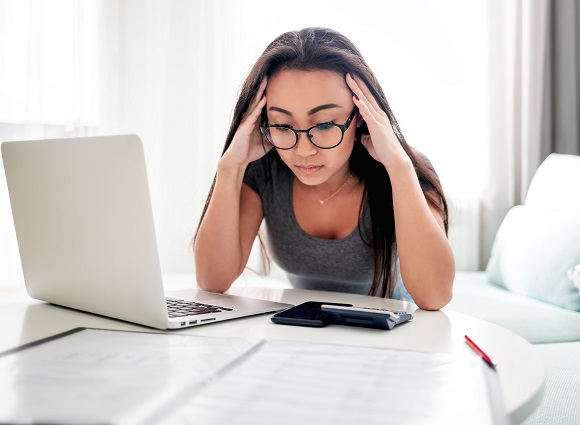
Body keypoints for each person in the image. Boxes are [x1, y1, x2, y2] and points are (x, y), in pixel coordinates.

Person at [194, 27, 455, 310]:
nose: (303, 151)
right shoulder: (263, 170)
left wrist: (399, 166)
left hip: (394, 332)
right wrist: (230, 166)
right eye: (282, 125)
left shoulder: (404, 169)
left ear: (359, 115)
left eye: (326, 125)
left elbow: (434, 296)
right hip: (308, 330)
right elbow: (212, 280)